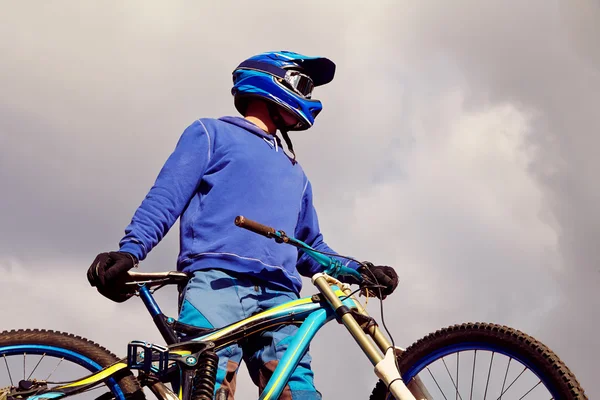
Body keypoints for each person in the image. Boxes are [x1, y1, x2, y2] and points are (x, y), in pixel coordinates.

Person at [87, 51, 398, 400]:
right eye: (303, 84)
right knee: (207, 388)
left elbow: (311, 249)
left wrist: (359, 270)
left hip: (282, 297)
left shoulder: (297, 173)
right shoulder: (211, 133)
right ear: (272, 82)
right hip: (217, 283)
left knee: (299, 393)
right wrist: (130, 251)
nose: (309, 97)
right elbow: (166, 197)